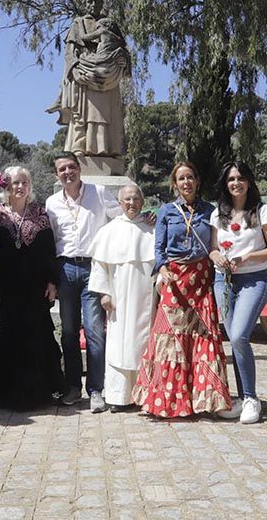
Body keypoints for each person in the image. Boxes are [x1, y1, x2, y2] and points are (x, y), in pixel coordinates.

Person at [133, 162, 237, 419]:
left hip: (200, 280)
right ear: (174, 184)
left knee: (203, 337)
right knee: (171, 339)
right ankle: (167, 401)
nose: (186, 182)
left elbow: (212, 246)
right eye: (181, 179)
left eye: (190, 177)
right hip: (174, 280)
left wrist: (218, 258)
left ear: (197, 181)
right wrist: (163, 269)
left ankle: (208, 400)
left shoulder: (209, 211)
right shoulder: (167, 211)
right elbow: (159, 249)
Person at [0, 166, 65, 410]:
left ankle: (37, 392)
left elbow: (49, 251)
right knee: (9, 334)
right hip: (7, 287)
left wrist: (52, 281)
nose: (20, 186)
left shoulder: (40, 214)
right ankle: (4, 392)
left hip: (35, 288)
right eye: (15, 182)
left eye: (24, 182)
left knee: (37, 334)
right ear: (5, 186)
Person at [45, 150, 122, 412]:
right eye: (62, 169)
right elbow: (50, 241)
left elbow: (122, 218)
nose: (68, 173)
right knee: (67, 332)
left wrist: (144, 219)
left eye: (71, 167)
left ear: (79, 169)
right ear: (57, 174)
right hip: (65, 268)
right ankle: (73, 388)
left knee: (93, 332)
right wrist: (51, 277)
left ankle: (96, 390)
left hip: (93, 268)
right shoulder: (52, 202)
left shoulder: (99, 193)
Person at [211, 161, 267, 424]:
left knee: (240, 335)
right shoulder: (218, 214)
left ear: (249, 181)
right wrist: (217, 256)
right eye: (231, 179)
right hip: (224, 281)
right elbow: (212, 248)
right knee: (235, 339)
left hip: (254, 279)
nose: (235, 183)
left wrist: (249, 256)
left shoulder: (263, 211)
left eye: (240, 178)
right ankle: (242, 399)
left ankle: (251, 398)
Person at [87, 184, 156, 412]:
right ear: (119, 203)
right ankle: (118, 396)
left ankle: (144, 394)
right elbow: (98, 265)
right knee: (118, 345)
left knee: (144, 344)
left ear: (142, 202)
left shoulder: (151, 229)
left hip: (146, 298)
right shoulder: (109, 231)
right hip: (117, 298)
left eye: (136, 199)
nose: (131, 203)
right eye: (126, 199)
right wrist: (104, 292)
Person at [46, 0, 127, 157]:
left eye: (97, 3)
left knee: (108, 113)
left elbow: (122, 50)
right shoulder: (78, 23)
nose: (93, 5)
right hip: (84, 72)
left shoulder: (110, 25)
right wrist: (74, 67)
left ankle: (109, 149)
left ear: (102, 5)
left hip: (108, 75)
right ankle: (79, 147)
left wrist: (123, 63)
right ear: (85, 4)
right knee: (82, 113)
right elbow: (70, 51)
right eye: (89, 2)